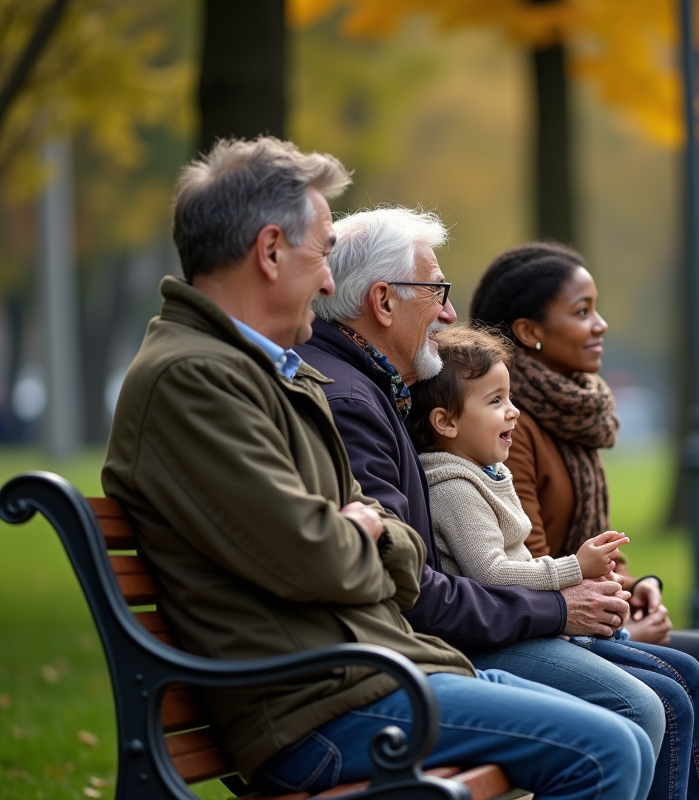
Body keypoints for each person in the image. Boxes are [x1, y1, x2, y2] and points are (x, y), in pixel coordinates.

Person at [102, 138, 653, 800]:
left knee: (628, 725)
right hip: (323, 707)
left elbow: (388, 544)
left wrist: (365, 530)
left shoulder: (272, 372)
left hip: (377, 674)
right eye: (323, 250)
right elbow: (313, 554)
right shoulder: (196, 380)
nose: (332, 281)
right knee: (605, 748)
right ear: (271, 251)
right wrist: (356, 532)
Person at [294, 206, 699, 800]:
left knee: (684, 687)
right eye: (435, 291)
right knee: (635, 716)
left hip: (421, 653)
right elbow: (425, 584)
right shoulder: (359, 401)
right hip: (396, 670)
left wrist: (613, 592)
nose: (447, 311)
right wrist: (568, 608)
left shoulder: (384, 392)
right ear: (384, 302)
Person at [471, 242, 699, 800]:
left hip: (589, 622)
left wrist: (641, 589)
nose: (601, 325)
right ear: (528, 330)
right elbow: (533, 568)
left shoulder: (571, 417)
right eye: (582, 310)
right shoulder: (509, 430)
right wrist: (625, 629)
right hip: (556, 633)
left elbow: (598, 555)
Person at [409, 326, 699, 800]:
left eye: (510, 397)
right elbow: (491, 574)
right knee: (665, 698)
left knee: (687, 678)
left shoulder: (485, 471)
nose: (512, 410)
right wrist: (573, 568)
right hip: (495, 641)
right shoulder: (452, 486)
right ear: (446, 422)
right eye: (495, 401)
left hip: (531, 628)